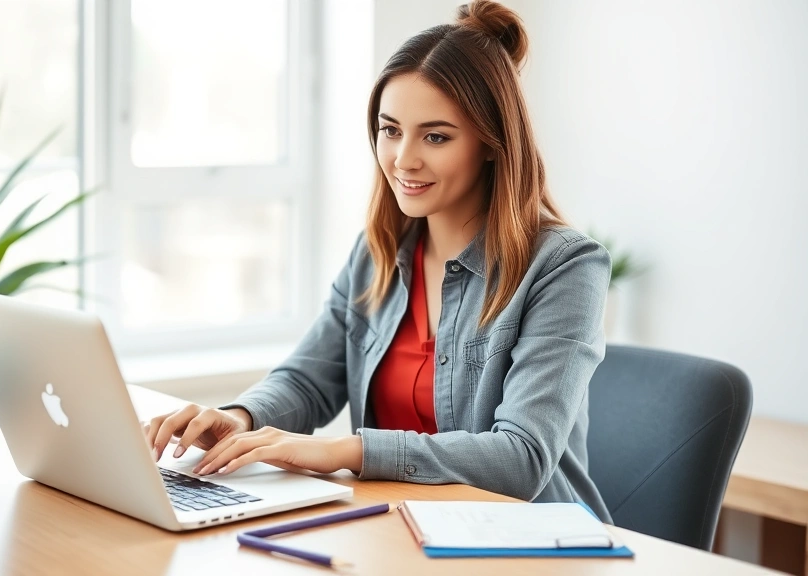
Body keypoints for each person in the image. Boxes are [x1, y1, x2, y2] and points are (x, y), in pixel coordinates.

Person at [145, 0, 613, 522]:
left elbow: (521, 458)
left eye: (435, 136)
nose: (403, 158)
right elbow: (308, 379)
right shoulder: (379, 253)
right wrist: (240, 416)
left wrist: (344, 452)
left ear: (490, 143)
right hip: (394, 527)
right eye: (390, 130)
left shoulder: (565, 267)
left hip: (526, 543)